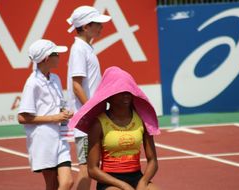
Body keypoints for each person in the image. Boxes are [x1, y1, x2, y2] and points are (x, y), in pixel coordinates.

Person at [69, 66, 161, 190]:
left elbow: (153, 161)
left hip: (137, 178)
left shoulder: (142, 120)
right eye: (121, 92)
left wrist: (143, 182)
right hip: (110, 182)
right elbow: (92, 169)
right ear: (109, 96)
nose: (126, 95)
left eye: (129, 91)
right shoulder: (98, 124)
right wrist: (123, 185)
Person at [18, 39, 74, 190]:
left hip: (60, 137)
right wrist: (54, 118)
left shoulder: (55, 78)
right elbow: (22, 117)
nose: (59, 56)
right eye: (56, 53)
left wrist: (64, 113)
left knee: (67, 182)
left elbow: (57, 106)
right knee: (52, 184)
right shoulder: (32, 83)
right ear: (46, 58)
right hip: (42, 140)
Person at [65, 5, 111, 190]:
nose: (101, 27)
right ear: (85, 26)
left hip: (91, 118)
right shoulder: (79, 49)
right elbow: (77, 85)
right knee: (86, 169)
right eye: (97, 24)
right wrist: (91, 110)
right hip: (86, 120)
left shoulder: (86, 48)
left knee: (93, 168)